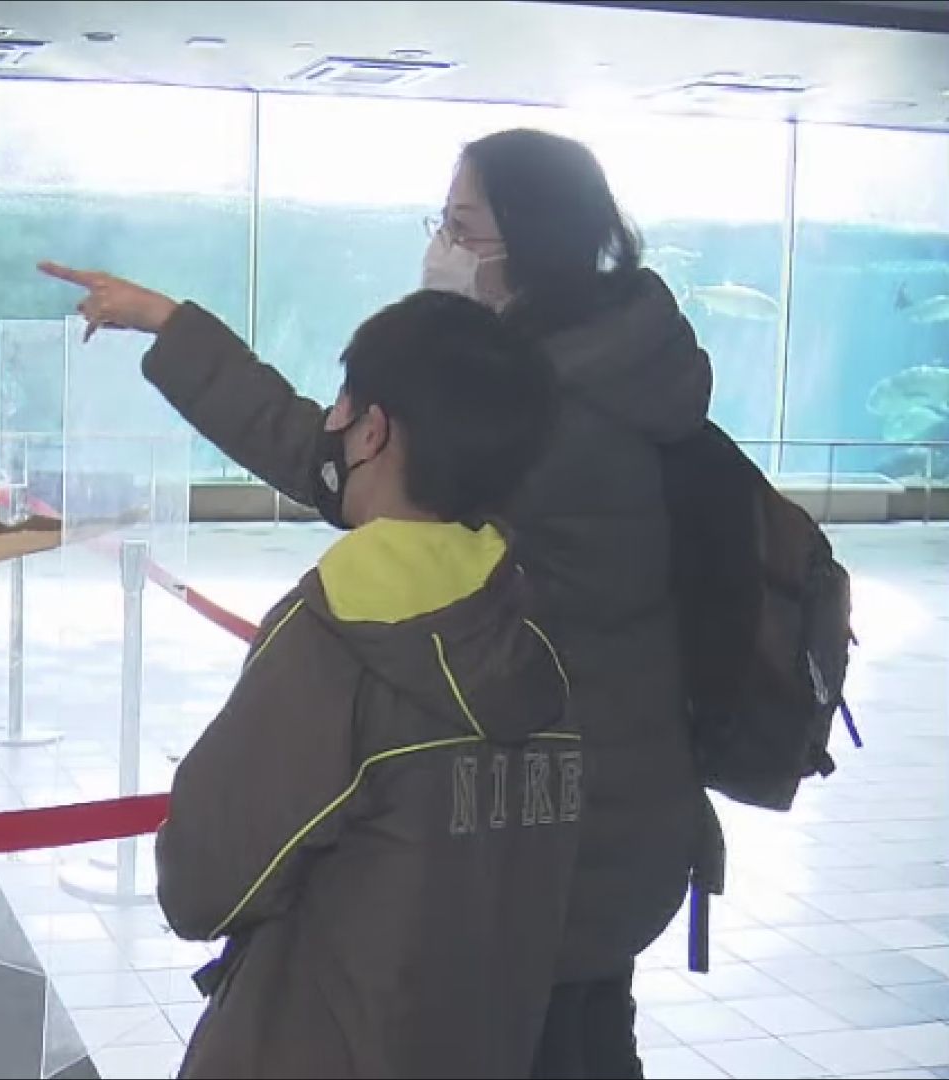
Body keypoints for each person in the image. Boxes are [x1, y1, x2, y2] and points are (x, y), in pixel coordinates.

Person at [44, 127, 711, 1079]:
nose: (442, 245)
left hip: (546, 849)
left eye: (463, 226)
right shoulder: (598, 371)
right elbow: (338, 454)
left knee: (560, 1037)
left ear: (532, 237)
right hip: (587, 842)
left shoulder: (537, 418)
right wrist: (175, 327)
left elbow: (207, 875)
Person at [149, 288, 578, 1077]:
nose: (332, 423)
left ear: (373, 430)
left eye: (342, 404)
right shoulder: (537, 633)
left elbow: (202, 883)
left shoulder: (335, 634)